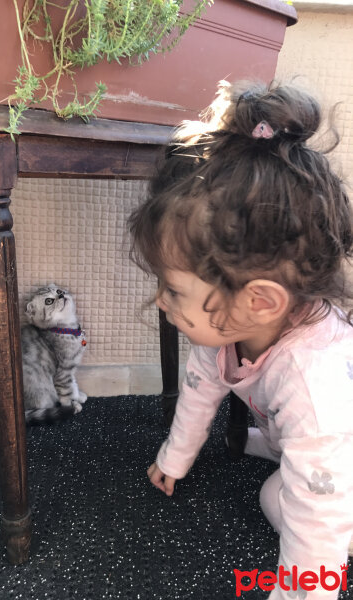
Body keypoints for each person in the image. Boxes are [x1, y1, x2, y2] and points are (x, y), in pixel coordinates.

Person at [128, 81, 353, 599]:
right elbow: (200, 389)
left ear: (260, 301)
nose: (162, 301)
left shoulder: (311, 384)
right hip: (318, 445)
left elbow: (314, 527)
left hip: (336, 455)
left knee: (283, 502)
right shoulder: (225, 333)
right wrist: (174, 459)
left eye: (175, 290)